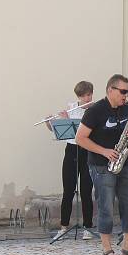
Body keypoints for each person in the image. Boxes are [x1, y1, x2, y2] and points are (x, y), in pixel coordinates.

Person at [75, 74, 128, 255]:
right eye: (123, 91)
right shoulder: (95, 110)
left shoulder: (126, 109)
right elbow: (80, 138)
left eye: (127, 92)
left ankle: (127, 247)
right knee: (106, 206)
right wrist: (104, 151)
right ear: (110, 90)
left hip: (123, 162)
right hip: (101, 165)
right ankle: (107, 250)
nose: (126, 95)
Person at [50, 81, 95, 241]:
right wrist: (55, 122)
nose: (87, 98)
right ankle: (63, 227)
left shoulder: (94, 110)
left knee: (86, 190)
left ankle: (88, 227)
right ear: (79, 96)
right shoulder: (71, 107)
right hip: (71, 150)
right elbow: (62, 131)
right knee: (68, 189)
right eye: (84, 96)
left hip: (87, 150)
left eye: (89, 94)